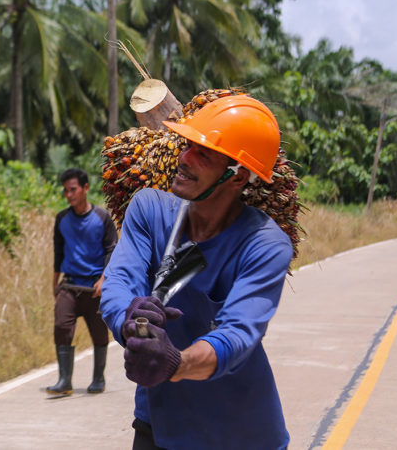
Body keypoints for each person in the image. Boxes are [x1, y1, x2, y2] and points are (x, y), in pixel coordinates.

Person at [99, 95, 293, 449]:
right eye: (188, 146)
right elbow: (119, 283)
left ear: (238, 176)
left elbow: (237, 335)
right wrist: (128, 322)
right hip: (159, 426)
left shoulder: (265, 244)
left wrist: (176, 362)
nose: (184, 159)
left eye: (203, 154)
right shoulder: (149, 210)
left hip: (240, 434)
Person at [45, 168, 118, 397]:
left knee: (98, 332)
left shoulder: (102, 218)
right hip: (70, 284)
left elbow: (111, 250)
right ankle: (65, 380)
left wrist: (104, 279)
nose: (69, 194)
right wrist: (54, 283)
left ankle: (98, 378)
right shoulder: (62, 219)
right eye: (66, 190)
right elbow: (58, 252)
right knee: (61, 326)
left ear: (85, 188)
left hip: (94, 287)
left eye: (73, 189)